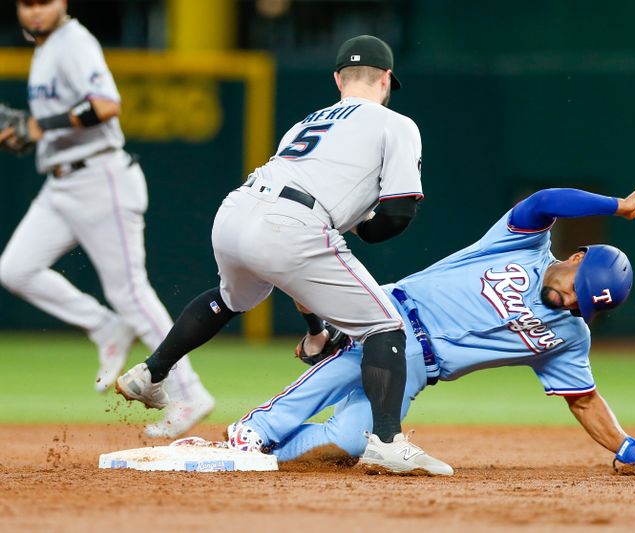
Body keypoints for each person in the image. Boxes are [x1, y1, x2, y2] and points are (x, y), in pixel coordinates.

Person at [114, 35, 450, 473]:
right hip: (293, 223)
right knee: (385, 326)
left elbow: (296, 265)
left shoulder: (308, 122)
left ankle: (151, 371)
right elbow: (397, 214)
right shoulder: (395, 124)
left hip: (238, 209)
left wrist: (316, 329)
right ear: (386, 79)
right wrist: (367, 227)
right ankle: (387, 441)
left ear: (338, 79)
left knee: (231, 298)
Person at [224, 181, 635, 477]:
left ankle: (252, 460)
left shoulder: (569, 335)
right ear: (577, 258)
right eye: (580, 287)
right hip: (384, 321)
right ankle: (248, 435)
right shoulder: (521, 246)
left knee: (350, 444)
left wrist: (628, 449)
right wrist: (617, 204)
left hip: (418, 371)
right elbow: (544, 201)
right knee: (306, 398)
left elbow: (584, 399)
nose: (573, 302)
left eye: (585, 305)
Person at [0, 0, 214, 437]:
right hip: (60, 184)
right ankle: (103, 326)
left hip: (100, 177)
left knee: (131, 292)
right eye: (28, 3)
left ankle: (190, 392)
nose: (36, 11)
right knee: (15, 269)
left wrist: (40, 127)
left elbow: (106, 104)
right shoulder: (44, 50)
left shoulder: (73, 42)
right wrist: (35, 136)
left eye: (45, 2)